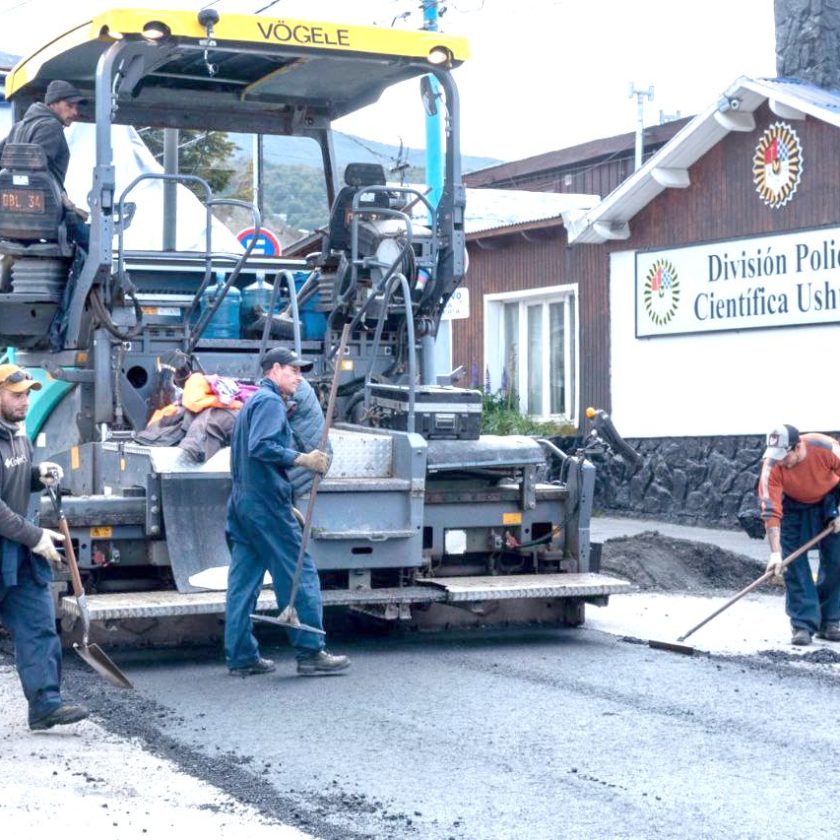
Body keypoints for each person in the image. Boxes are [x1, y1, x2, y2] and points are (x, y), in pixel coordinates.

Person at [224, 347, 350, 676]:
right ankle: (310, 651)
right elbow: (261, 446)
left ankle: (241, 656)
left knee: (244, 581)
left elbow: (249, 454)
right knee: (298, 571)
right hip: (265, 504)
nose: (299, 377)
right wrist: (303, 459)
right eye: (293, 370)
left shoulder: (252, 402)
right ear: (274, 369)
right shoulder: (269, 402)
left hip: (244, 503)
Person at [0, 363, 89, 729]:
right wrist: (35, 535)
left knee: (38, 624)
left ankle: (45, 705)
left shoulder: (17, 434)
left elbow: (14, 482)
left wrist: (38, 476)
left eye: (26, 395)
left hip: (16, 551)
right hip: (17, 539)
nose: (24, 402)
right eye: (16, 395)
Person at [759, 423, 840, 646]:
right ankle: (803, 624)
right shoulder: (772, 465)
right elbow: (770, 509)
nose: (781, 461)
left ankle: (831, 620)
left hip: (829, 501)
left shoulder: (826, 448)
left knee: (837, 560)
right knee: (794, 564)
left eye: (785, 455)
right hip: (793, 507)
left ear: (797, 447)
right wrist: (775, 554)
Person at [0, 79, 90, 250]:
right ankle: (88, 278)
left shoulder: (18, 127)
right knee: (92, 241)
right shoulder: (52, 126)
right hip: (43, 212)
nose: (75, 112)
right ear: (53, 103)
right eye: (70, 105)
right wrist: (63, 201)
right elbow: (37, 169)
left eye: (76, 107)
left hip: (15, 217)